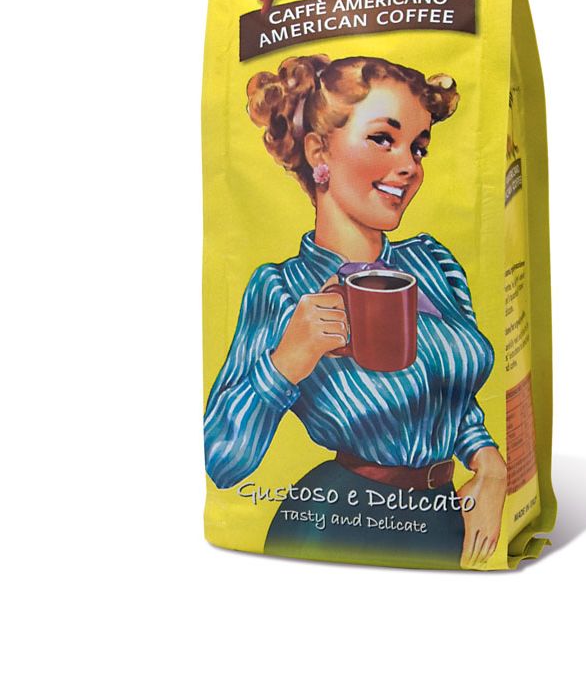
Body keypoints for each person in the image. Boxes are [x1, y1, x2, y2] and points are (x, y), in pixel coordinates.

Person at [203, 54, 507, 568]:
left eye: (418, 147)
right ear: (319, 151)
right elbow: (220, 460)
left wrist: (489, 464)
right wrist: (288, 361)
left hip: (446, 514)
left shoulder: (432, 263)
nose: (410, 166)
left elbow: (449, 398)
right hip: (333, 522)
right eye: (384, 139)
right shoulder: (281, 289)